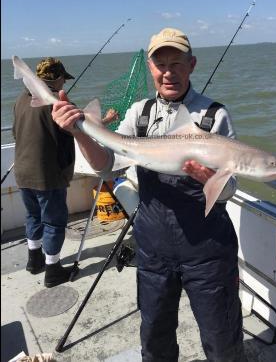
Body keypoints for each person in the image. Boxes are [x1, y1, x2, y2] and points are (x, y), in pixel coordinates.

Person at [51, 28, 246, 361]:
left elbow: (228, 190)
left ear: (192, 65)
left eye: (177, 63)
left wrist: (208, 178)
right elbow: (107, 165)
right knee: (154, 337)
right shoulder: (139, 114)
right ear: (150, 66)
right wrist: (79, 134)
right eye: (160, 64)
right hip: (154, 245)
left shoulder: (214, 115)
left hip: (208, 250)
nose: (169, 72)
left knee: (222, 339)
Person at [13, 57, 76, 288]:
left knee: (33, 216)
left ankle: (34, 260)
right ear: (57, 78)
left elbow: (15, 134)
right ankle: (53, 270)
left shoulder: (20, 99)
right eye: (63, 80)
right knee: (54, 222)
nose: (64, 85)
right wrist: (106, 120)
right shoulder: (55, 103)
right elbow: (76, 130)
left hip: (22, 172)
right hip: (47, 175)